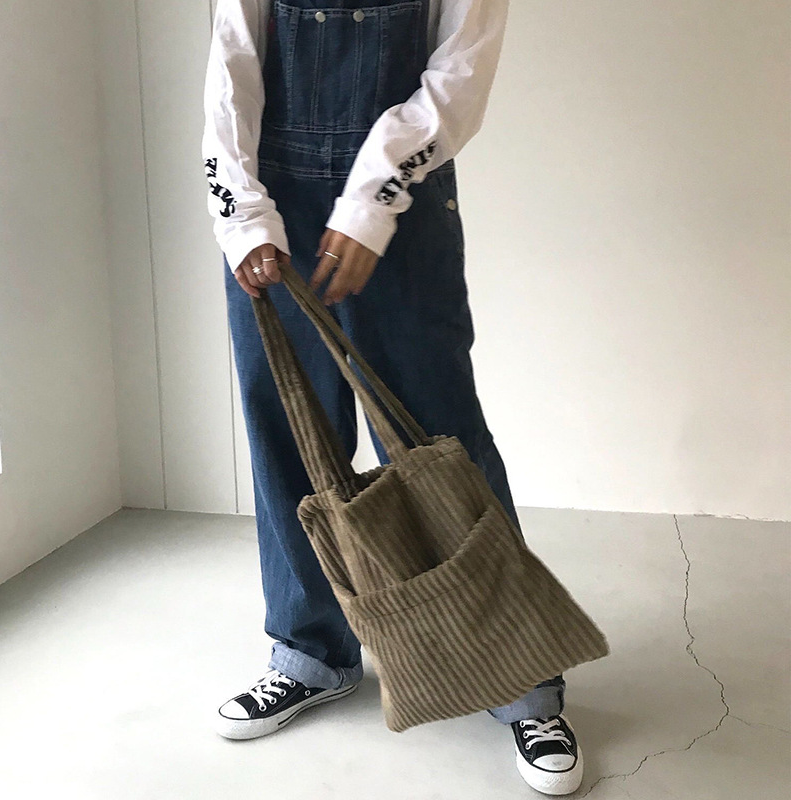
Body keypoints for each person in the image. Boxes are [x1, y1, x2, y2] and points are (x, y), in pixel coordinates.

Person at [202, 0, 583, 794]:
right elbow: (232, 65)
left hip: (402, 207)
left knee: (439, 441)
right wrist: (241, 213)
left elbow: (459, 77)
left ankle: (519, 676)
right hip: (273, 207)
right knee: (289, 433)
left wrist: (370, 199)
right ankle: (311, 652)